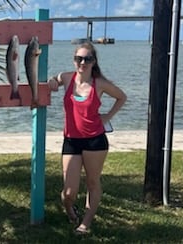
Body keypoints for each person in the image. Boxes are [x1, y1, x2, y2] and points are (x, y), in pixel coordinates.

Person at [47, 42, 127, 235]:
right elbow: (53, 81)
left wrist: (106, 116)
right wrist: (51, 82)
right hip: (71, 141)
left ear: (93, 61)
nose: (83, 62)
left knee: (93, 182)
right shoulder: (67, 78)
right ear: (74, 61)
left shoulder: (99, 82)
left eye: (87, 59)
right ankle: (70, 210)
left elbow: (122, 97)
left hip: (95, 141)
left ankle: (85, 223)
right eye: (79, 59)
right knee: (68, 192)